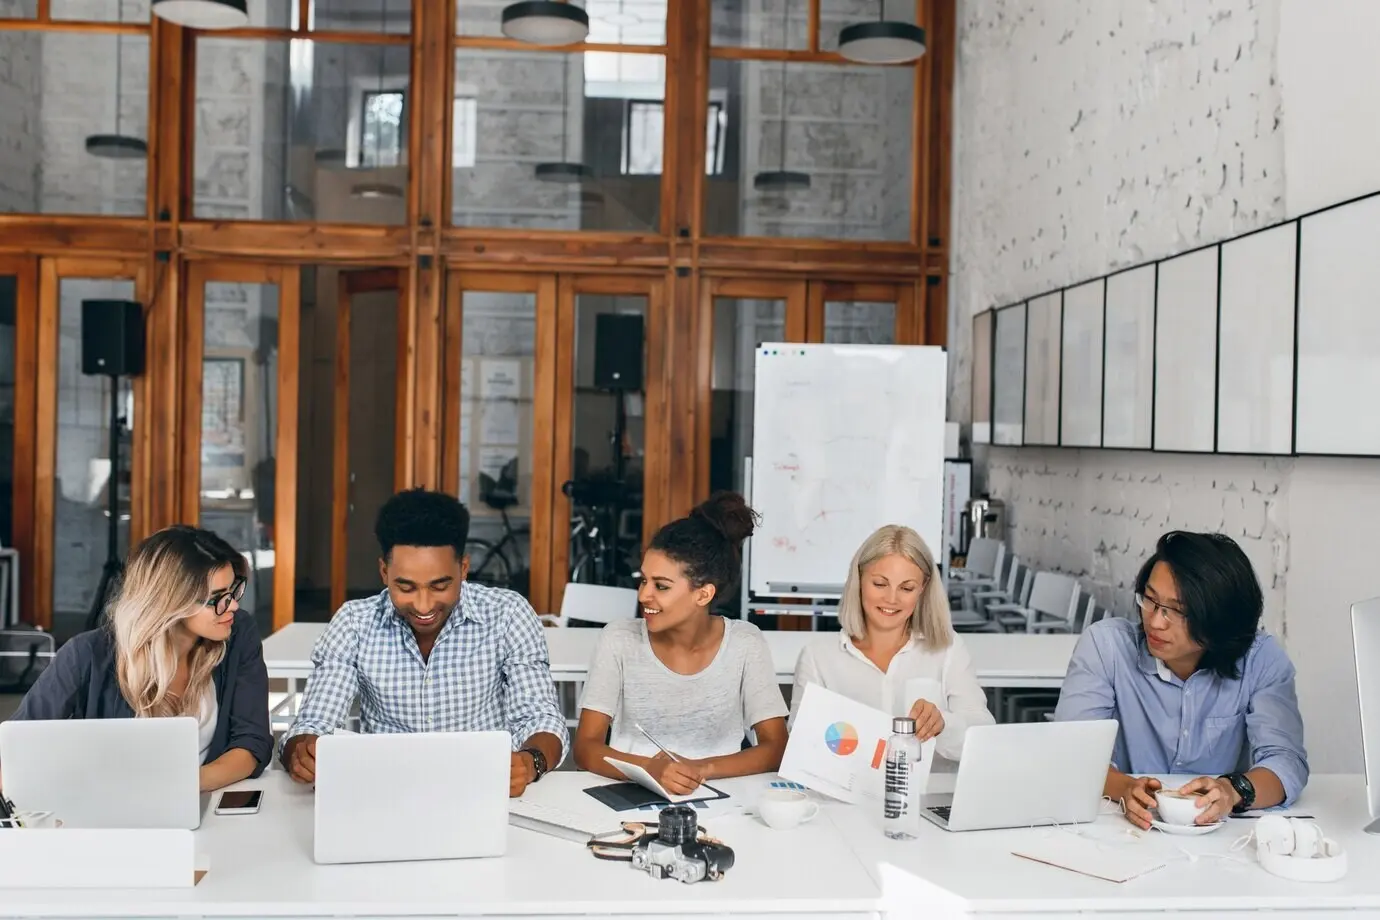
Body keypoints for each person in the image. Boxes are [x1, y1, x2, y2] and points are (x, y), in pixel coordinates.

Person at [280, 488, 567, 798]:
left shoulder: (507, 614)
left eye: (440, 586)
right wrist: (302, 753)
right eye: (405, 587)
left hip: (482, 792)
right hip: (384, 795)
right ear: (384, 572)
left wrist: (531, 761)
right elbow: (313, 722)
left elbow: (542, 717)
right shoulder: (354, 622)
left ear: (464, 570)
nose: (423, 605)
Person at [1054, 531, 1308, 829]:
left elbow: (1286, 761)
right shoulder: (1107, 647)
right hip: (1122, 829)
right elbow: (1071, 753)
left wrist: (1232, 791)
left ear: (1221, 619)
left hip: (1219, 836)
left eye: (1178, 611)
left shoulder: (1260, 659)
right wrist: (1124, 789)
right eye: (1150, 600)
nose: (1156, 621)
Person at [6, 525, 271, 792]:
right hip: (107, 818)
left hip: (206, 808)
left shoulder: (237, 633)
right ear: (169, 602)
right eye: (218, 599)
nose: (234, 605)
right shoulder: (85, 655)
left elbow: (252, 741)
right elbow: (14, 750)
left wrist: (182, 787)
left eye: (234, 589)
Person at [572, 492, 788, 796]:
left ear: (703, 594)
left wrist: (702, 769)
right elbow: (585, 748)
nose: (644, 595)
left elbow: (776, 747)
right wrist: (649, 769)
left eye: (661, 586)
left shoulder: (744, 643)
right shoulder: (618, 639)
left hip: (723, 798)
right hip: (626, 793)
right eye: (643, 580)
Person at [790, 525, 994, 765]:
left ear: (922, 589)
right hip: (846, 798)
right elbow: (800, 747)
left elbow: (983, 736)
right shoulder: (818, 657)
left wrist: (943, 724)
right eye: (879, 584)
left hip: (929, 796)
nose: (892, 599)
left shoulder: (948, 649)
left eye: (906, 588)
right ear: (859, 579)